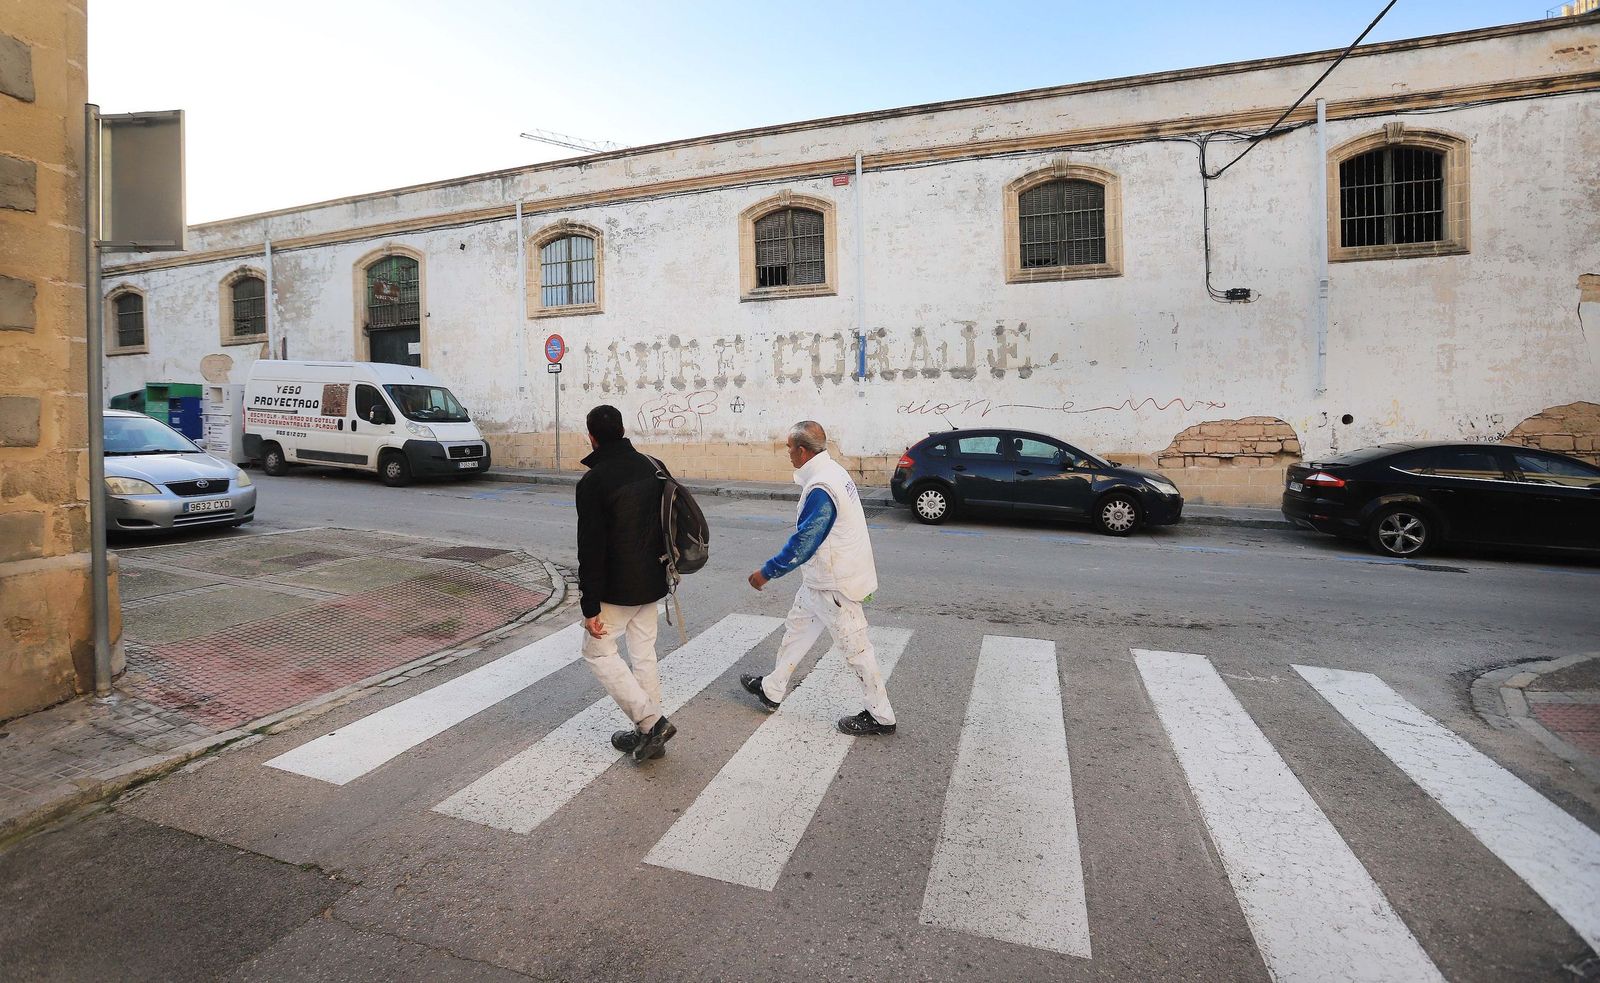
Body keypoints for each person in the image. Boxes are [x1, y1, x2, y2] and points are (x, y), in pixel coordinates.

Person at [741, 421, 896, 736]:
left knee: (856, 648)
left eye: (789, 449)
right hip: (819, 579)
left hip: (835, 583)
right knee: (796, 631)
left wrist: (767, 572)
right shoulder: (832, 471)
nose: (787, 454)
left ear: (801, 450)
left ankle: (881, 716)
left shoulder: (822, 486)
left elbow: (804, 542)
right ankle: (772, 689)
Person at [575, 404, 676, 761]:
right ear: (621, 429)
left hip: (617, 589)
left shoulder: (594, 481)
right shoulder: (652, 466)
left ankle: (651, 722)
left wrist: (589, 605)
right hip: (653, 578)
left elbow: (591, 547)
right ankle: (650, 734)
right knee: (643, 653)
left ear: (592, 437)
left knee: (597, 651)